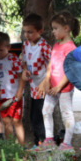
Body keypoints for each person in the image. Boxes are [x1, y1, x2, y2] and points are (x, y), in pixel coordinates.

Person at [41, 11, 78, 150]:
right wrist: (47, 80)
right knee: (46, 110)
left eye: (55, 28)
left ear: (66, 28)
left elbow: (70, 70)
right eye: (52, 28)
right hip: (53, 87)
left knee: (66, 114)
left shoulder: (71, 48)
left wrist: (59, 87)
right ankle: (49, 139)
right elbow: (51, 64)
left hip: (64, 89)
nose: (53, 31)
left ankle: (67, 144)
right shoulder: (56, 45)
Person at [20, 13, 52, 148]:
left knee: (38, 116)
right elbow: (25, 61)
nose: (27, 35)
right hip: (33, 85)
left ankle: (42, 142)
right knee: (34, 116)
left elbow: (52, 62)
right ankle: (38, 141)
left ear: (40, 31)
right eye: (25, 31)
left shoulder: (43, 46)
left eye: (30, 32)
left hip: (42, 86)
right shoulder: (26, 44)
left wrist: (46, 80)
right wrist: (25, 70)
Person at [0, 32, 26, 145]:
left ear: (8, 47)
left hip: (14, 96)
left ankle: (21, 147)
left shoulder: (13, 59)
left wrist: (20, 92)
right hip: (1, 98)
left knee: (17, 122)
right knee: (6, 122)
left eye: (1, 50)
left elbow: (22, 76)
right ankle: (10, 148)